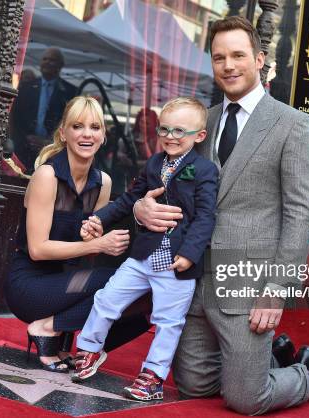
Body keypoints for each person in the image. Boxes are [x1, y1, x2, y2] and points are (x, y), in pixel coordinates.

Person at [122, 16, 309, 415]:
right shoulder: (202, 121)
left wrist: (277, 289)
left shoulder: (294, 125)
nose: (229, 65)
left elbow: (303, 213)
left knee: (245, 400)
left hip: (246, 286)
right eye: (219, 57)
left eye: (238, 55)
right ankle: (266, 360)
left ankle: (304, 373)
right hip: (194, 279)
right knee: (193, 386)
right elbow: (158, 179)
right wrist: (140, 206)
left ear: (260, 59)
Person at [71, 97, 219, 402]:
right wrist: (99, 217)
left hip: (176, 262)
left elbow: (206, 216)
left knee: (168, 321)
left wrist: (190, 252)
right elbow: (129, 199)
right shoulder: (154, 163)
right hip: (144, 255)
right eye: (164, 129)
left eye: (180, 131)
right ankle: (88, 350)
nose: (170, 136)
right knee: (107, 298)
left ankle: (152, 377)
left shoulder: (204, 170)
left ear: (199, 136)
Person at [4, 96, 151, 373]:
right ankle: (46, 327)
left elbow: (87, 254)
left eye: (95, 127)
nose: (87, 134)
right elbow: (38, 249)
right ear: (64, 133)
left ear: (103, 135)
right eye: (78, 126)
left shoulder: (102, 183)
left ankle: (71, 337)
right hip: (30, 285)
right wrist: (99, 245)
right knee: (120, 280)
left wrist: (94, 240)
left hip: (68, 282)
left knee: (144, 291)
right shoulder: (47, 176)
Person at [9, 47, 77, 171]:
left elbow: (71, 123)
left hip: (52, 152)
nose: (47, 62)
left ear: (60, 65)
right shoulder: (26, 87)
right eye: (44, 59)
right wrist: (23, 140)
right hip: (24, 150)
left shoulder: (70, 92)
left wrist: (50, 142)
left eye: (52, 60)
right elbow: (16, 117)